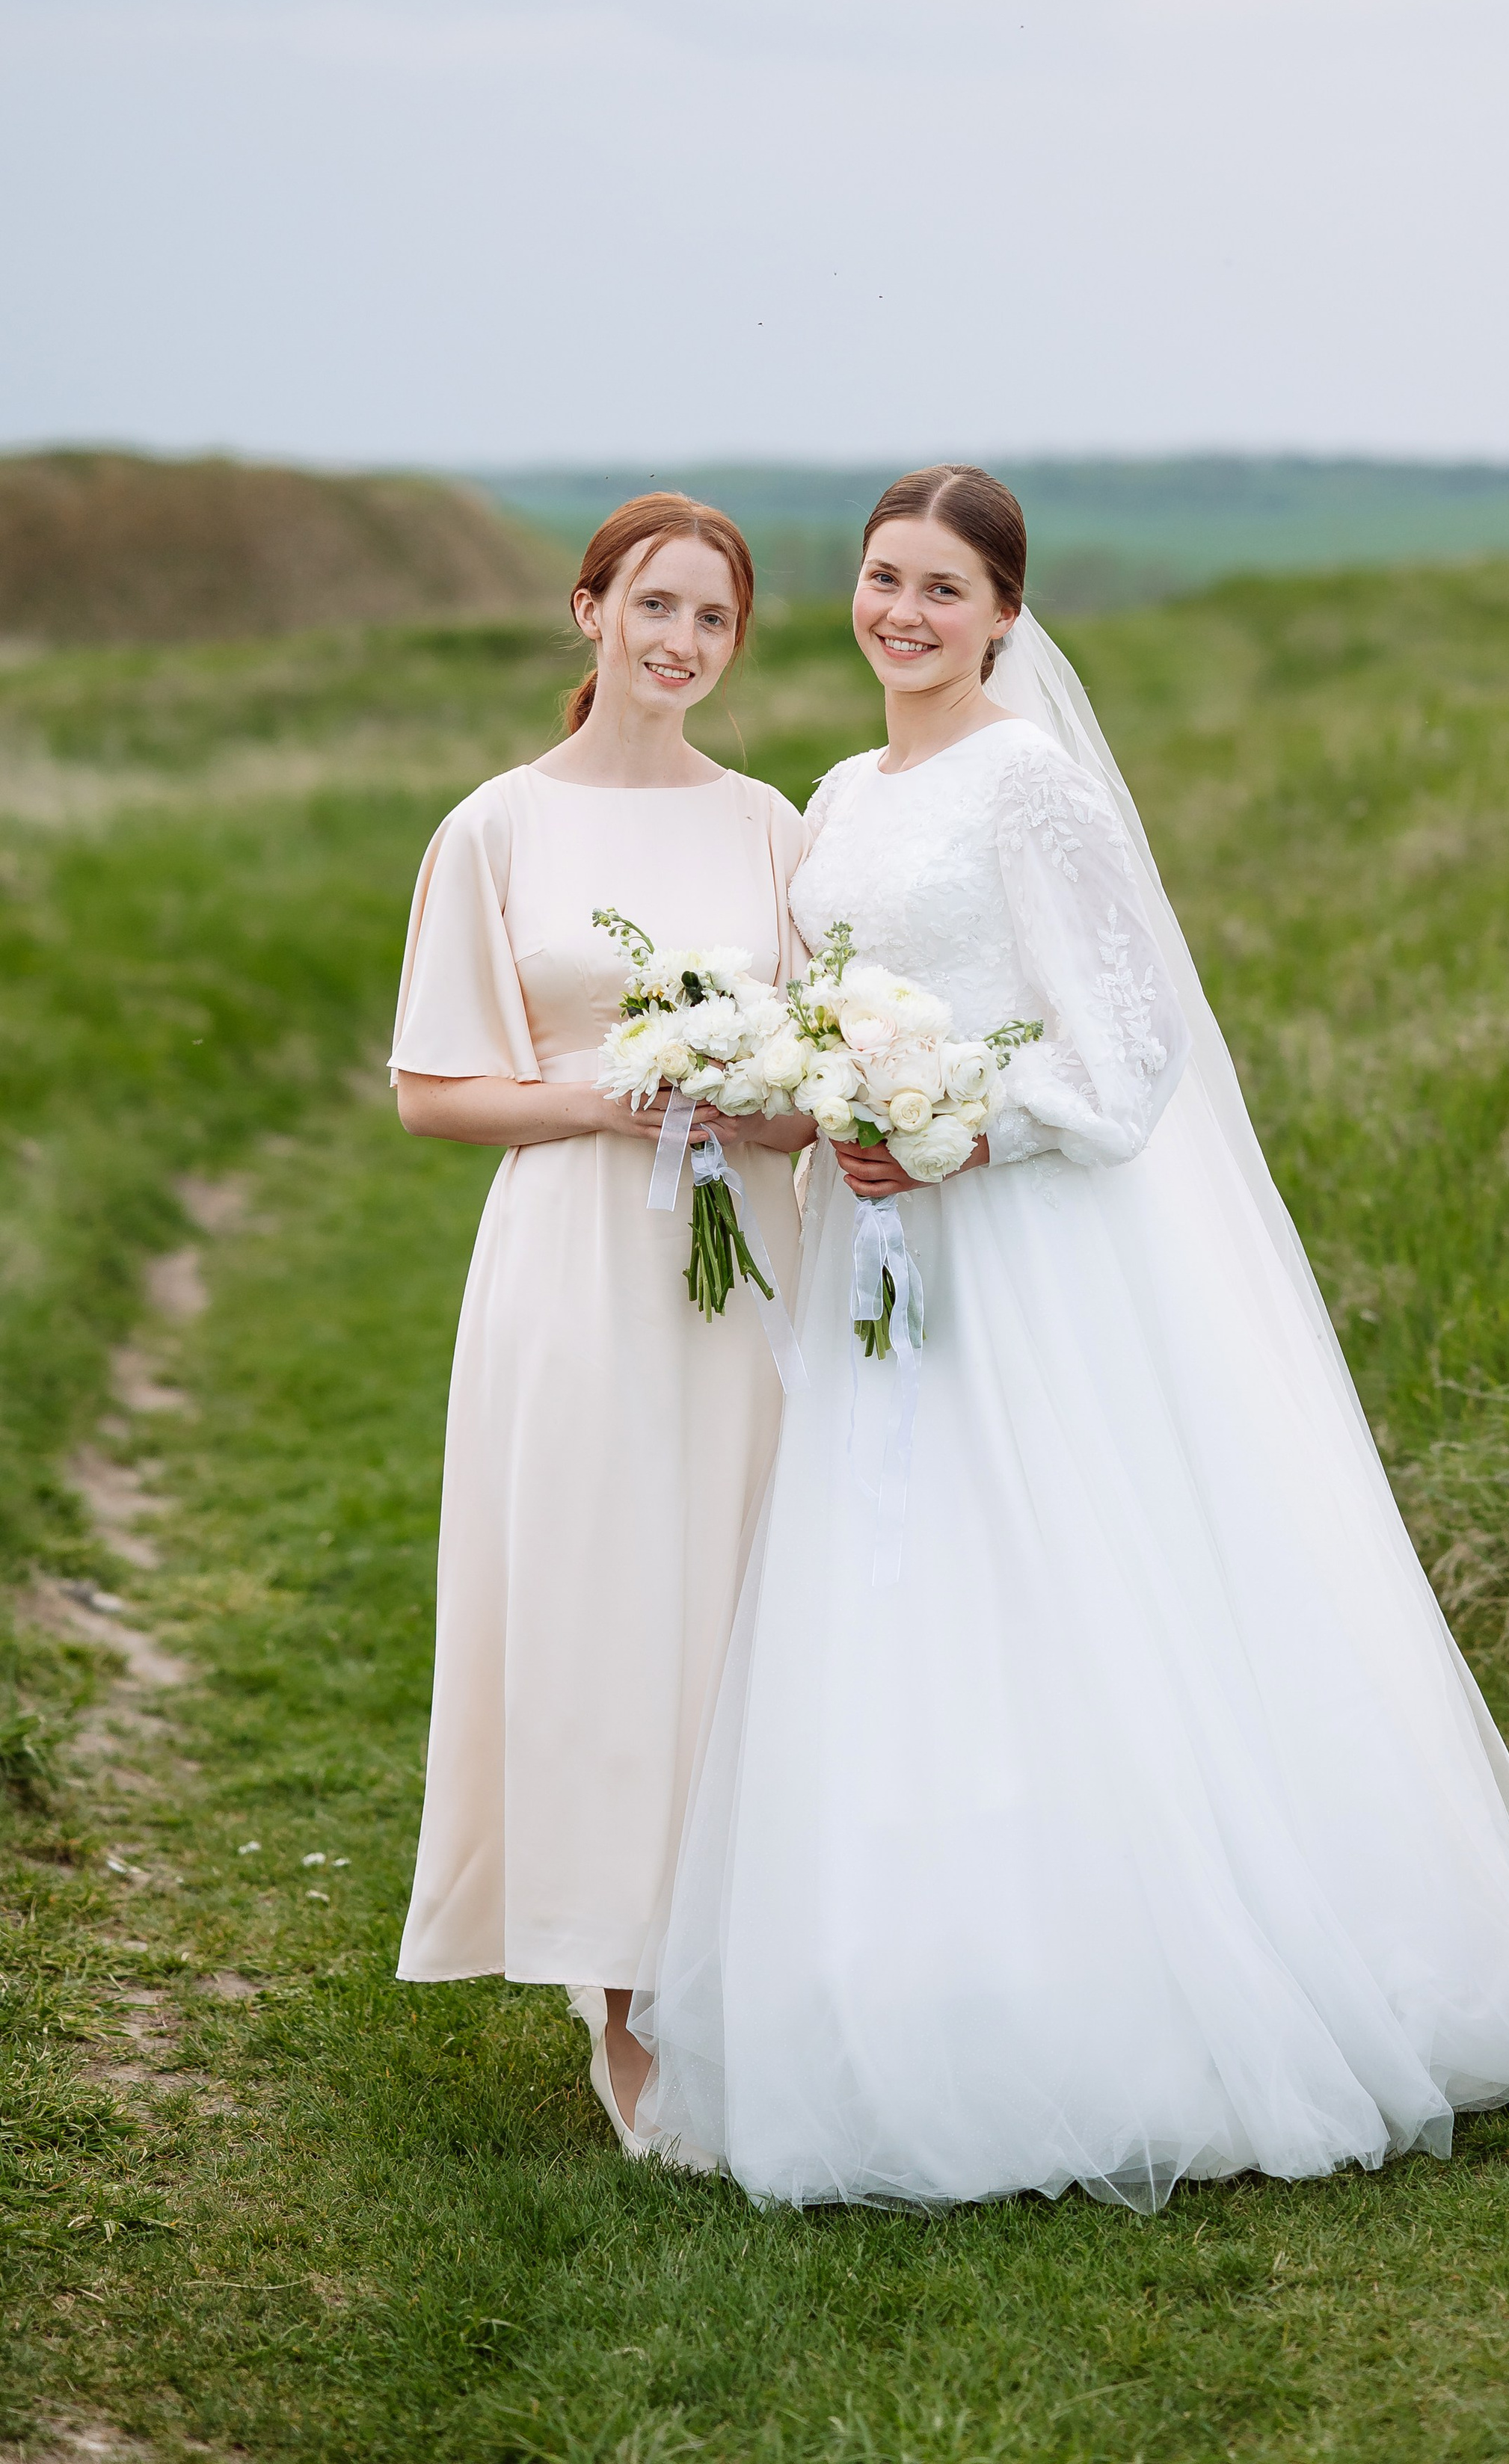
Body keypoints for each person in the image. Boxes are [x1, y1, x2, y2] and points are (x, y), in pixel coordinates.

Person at [647, 463, 1509, 2211]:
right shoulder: (835, 790)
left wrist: (958, 1123)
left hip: (1032, 1248)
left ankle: (1179, 1980)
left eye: (943, 590)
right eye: (884, 579)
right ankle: (927, 1980)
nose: (902, 612)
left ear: (1005, 617)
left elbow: (1128, 1050)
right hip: (878, 1251)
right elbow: (829, 1007)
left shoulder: (1028, 787)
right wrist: (804, 1097)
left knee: (1078, 1579)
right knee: (904, 1585)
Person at [388, 491, 812, 2152]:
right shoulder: (494, 827)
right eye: (653, 605)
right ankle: (616, 1989)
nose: (679, 642)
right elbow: (433, 1095)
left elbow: (805, 1069)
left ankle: (725, 1943)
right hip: (574, 1259)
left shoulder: (772, 824)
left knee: (727, 1593)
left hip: (740, 1263)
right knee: (595, 1596)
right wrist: (609, 1102)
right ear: (587, 611)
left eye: (711, 618)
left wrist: (765, 1100)